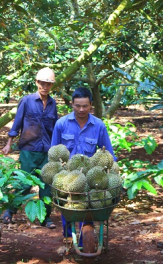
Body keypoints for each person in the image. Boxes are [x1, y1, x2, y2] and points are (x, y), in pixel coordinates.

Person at [50, 87, 116, 242]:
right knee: (67, 205)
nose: (81, 109)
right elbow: (53, 152)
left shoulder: (98, 125)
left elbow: (108, 152)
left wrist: (114, 165)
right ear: (71, 104)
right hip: (67, 175)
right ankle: (68, 235)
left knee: (87, 206)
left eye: (85, 106)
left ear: (91, 104)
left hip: (90, 175)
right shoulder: (61, 124)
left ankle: (84, 239)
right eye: (77, 105)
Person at [1, 67, 58, 229]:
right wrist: (9, 143)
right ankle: (9, 212)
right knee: (24, 184)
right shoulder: (27, 101)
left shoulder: (53, 104)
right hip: (28, 149)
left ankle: (45, 217)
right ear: (36, 83)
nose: (44, 86)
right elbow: (17, 122)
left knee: (46, 185)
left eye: (48, 84)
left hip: (47, 151)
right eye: (42, 83)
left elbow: (55, 127)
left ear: (52, 86)